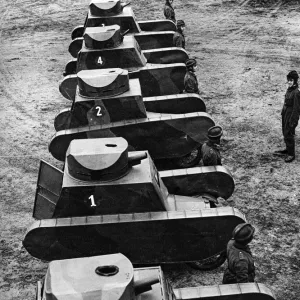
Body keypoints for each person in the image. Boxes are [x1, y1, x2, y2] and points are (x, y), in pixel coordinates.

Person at [274, 70, 300, 163]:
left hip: (291, 116)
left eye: (291, 80)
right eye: (288, 80)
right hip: (285, 114)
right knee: (285, 132)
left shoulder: (296, 92)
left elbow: (296, 109)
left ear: (295, 81)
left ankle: (291, 154)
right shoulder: (289, 89)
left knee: (289, 133)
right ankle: (287, 149)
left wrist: (293, 121)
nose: (289, 82)